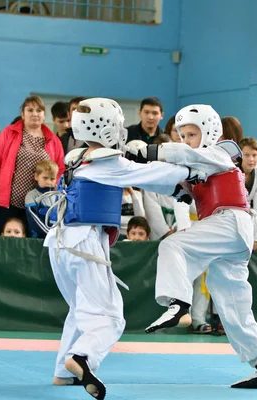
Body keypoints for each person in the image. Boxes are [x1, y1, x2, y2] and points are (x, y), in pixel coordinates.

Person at [44, 98, 204, 399]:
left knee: (82, 310)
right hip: (83, 244)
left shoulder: (77, 158)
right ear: (109, 130)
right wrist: (192, 171)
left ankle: (63, 373)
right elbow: (155, 175)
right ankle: (82, 358)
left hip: (60, 243)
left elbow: (143, 177)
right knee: (110, 316)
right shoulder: (109, 163)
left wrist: (176, 187)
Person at [128, 104, 257, 390]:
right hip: (229, 237)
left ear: (209, 131)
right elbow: (168, 182)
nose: (186, 140)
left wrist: (151, 151)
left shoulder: (222, 152)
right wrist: (131, 167)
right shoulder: (196, 166)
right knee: (231, 302)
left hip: (231, 221)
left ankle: (179, 304)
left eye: (192, 134)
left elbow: (187, 155)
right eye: (182, 135)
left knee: (172, 246)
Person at [0, 95, 65, 235]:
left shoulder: (54, 140)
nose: (34, 114)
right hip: (7, 202)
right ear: (23, 114)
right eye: (30, 110)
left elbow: (61, 170)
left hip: (39, 205)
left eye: (39, 110)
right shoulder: (8, 133)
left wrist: (53, 190)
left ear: (44, 115)